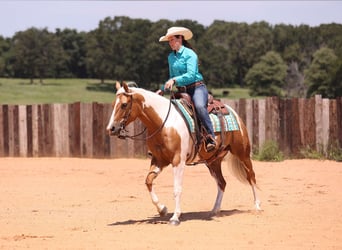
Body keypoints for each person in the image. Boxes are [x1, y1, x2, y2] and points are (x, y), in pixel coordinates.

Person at [158, 26, 216, 152]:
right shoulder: (170, 57)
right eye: (169, 41)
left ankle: (211, 137)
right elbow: (171, 77)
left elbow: (190, 75)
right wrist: (162, 89)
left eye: (172, 40)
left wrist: (174, 80)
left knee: (200, 107)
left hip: (196, 88)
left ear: (180, 39)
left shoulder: (190, 55)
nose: (170, 43)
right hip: (181, 91)